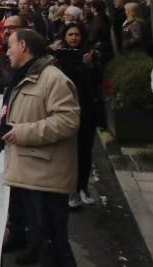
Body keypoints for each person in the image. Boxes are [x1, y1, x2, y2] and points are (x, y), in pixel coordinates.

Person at [0, 29, 80, 267]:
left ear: (23, 46)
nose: (7, 51)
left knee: (54, 241)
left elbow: (68, 121)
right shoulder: (24, 76)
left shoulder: (53, 79)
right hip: (32, 169)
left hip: (46, 173)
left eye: (10, 45)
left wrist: (22, 132)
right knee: (39, 232)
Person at [50, 23, 101, 208]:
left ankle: (82, 187)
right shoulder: (57, 54)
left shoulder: (90, 54)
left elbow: (97, 81)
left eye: (77, 35)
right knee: (65, 152)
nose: (73, 38)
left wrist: (91, 65)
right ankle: (68, 189)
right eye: (70, 34)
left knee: (84, 151)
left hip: (86, 110)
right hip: (63, 109)